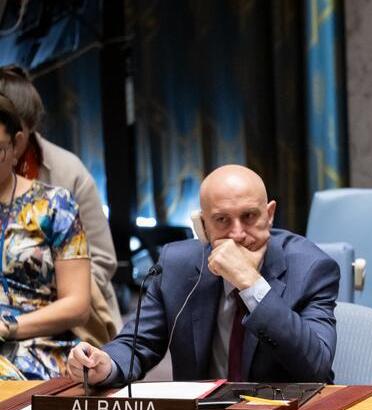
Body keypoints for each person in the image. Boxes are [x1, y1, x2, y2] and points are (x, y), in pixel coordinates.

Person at [65, 165, 338, 385]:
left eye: (249, 217)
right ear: (203, 226)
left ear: (270, 215)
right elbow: (137, 344)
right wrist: (105, 365)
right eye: (222, 220)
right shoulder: (176, 265)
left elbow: (315, 368)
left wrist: (250, 284)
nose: (238, 234)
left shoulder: (311, 267)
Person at [0, 65, 121, 338]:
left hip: (64, 320)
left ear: (27, 130)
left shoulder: (67, 173)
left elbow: (103, 259)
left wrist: (42, 285)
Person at [0, 95, 91, 380]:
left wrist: (7, 326)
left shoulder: (54, 205)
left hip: (37, 348)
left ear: (16, 145)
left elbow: (78, 305)